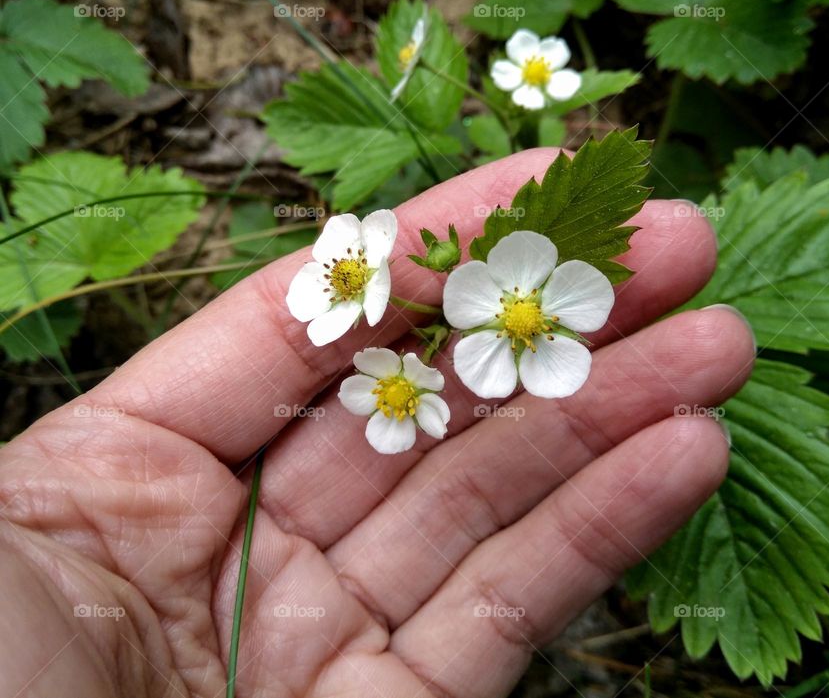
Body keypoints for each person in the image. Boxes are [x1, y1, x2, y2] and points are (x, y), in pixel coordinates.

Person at [0, 148, 755, 697]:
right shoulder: (449, 323)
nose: (523, 317)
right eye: (518, 315)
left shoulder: (508, 312)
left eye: (526, 316)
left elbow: (491, 294)